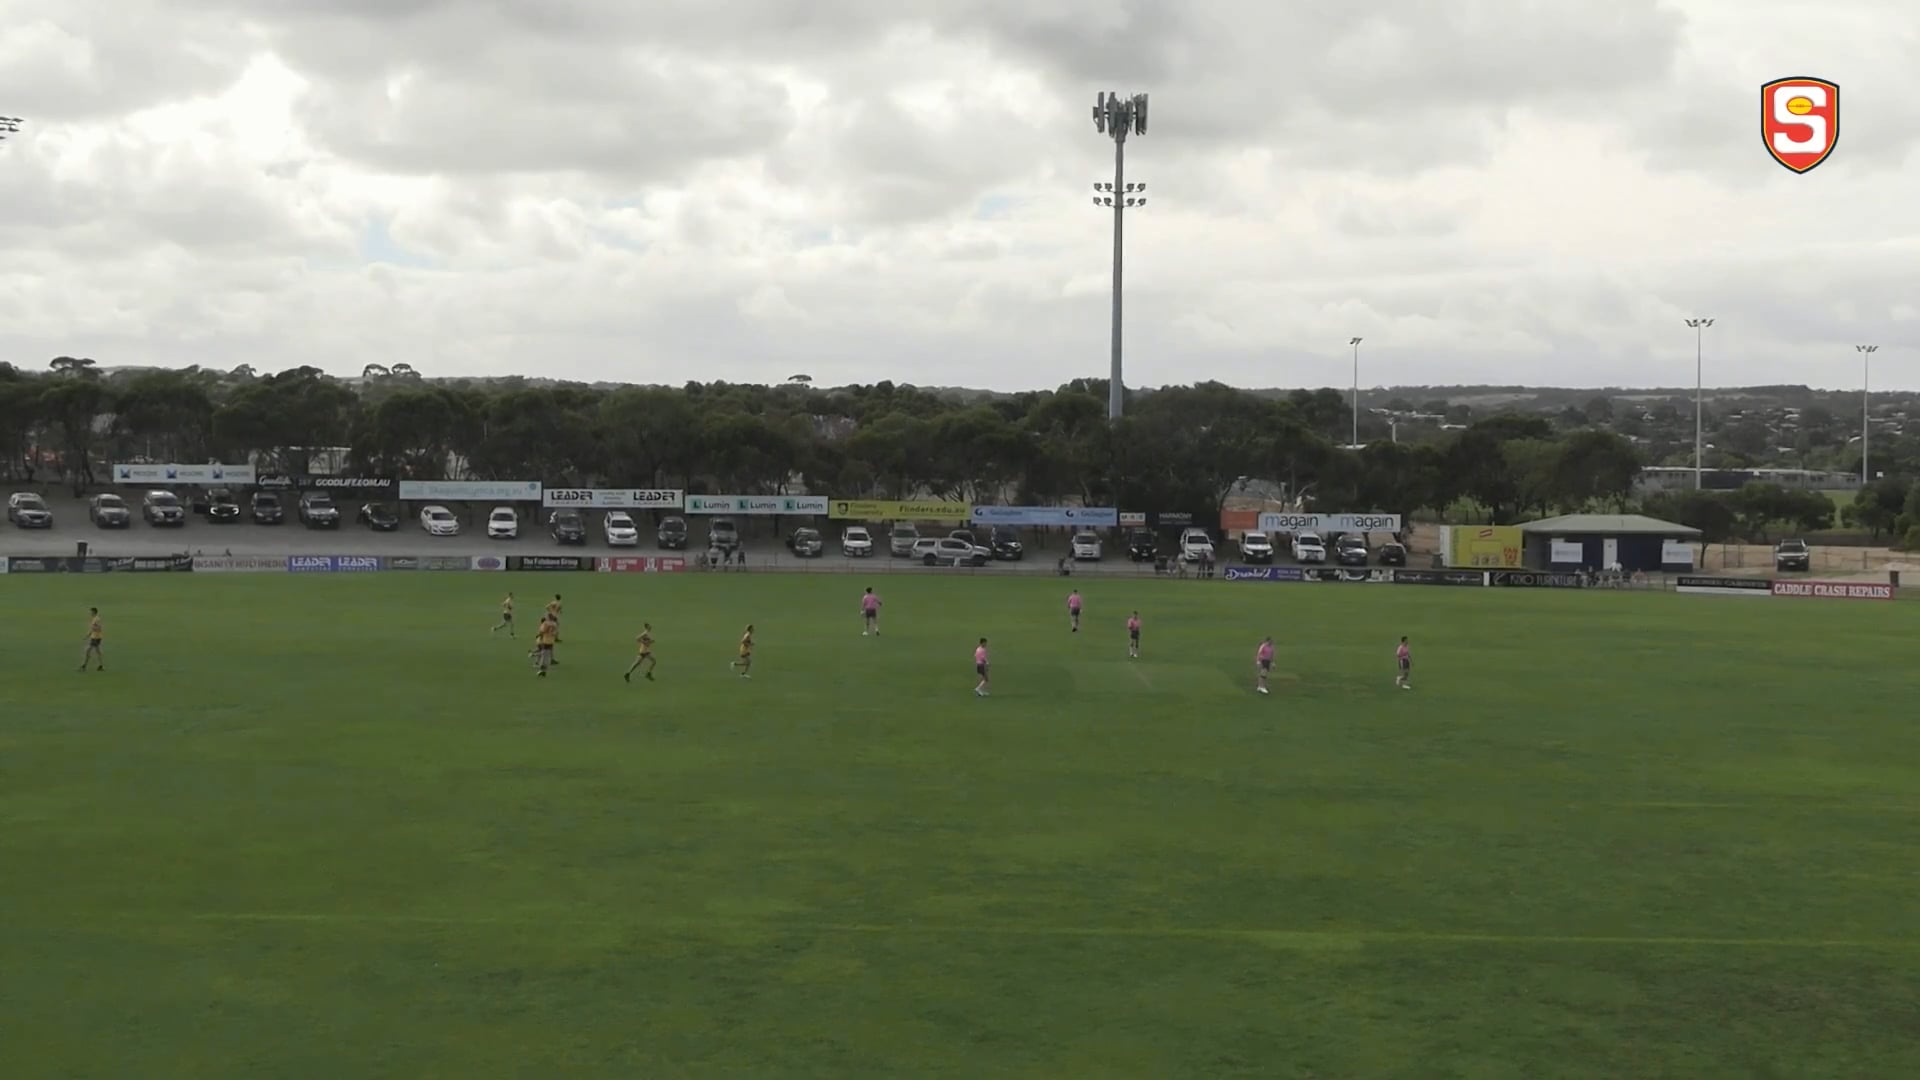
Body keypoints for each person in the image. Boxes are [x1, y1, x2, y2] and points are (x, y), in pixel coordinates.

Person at [79, 607, 104, 672]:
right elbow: (92, 629)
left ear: (94, 612)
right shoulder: (94, 619)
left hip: (96, 638)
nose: (90, 613)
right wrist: (87, 636)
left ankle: (84, 666)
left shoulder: (97, 619)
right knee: (97, 652)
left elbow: (99, 628)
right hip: (94, 637)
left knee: (87, 651)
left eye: (91, 612)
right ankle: (100, 666)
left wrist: (93, 628)